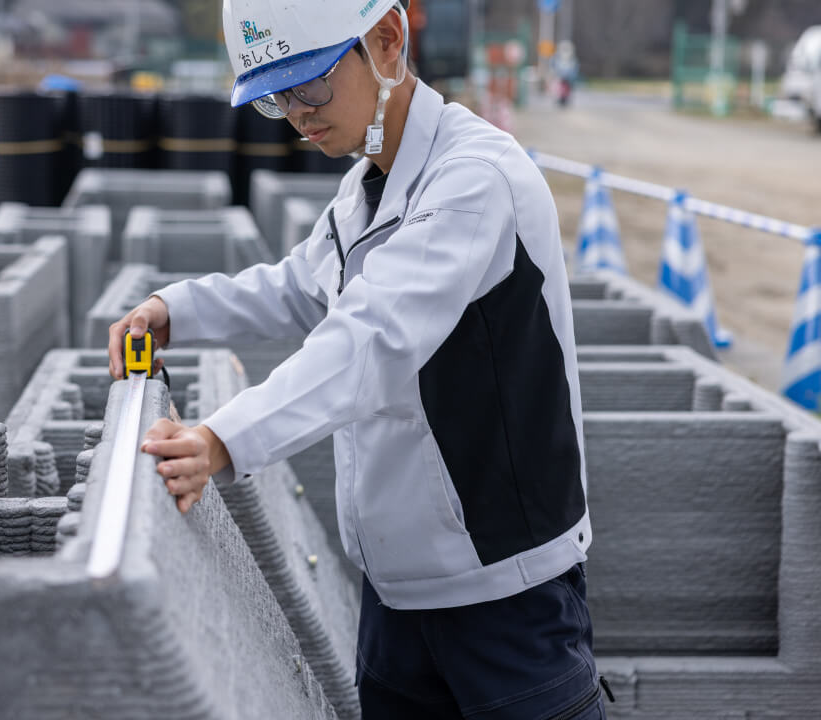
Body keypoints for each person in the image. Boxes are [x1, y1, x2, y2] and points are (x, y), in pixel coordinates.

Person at [106, 1, 608, 717]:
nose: (298, 115)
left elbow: (372, 339)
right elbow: (295, 288)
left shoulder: (474, 181)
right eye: (276, 98)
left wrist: (221, 439)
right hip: (396, 594)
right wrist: (175, 310)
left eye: (308, 85)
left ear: (387, 40)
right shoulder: (364, 190)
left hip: (505, 595)